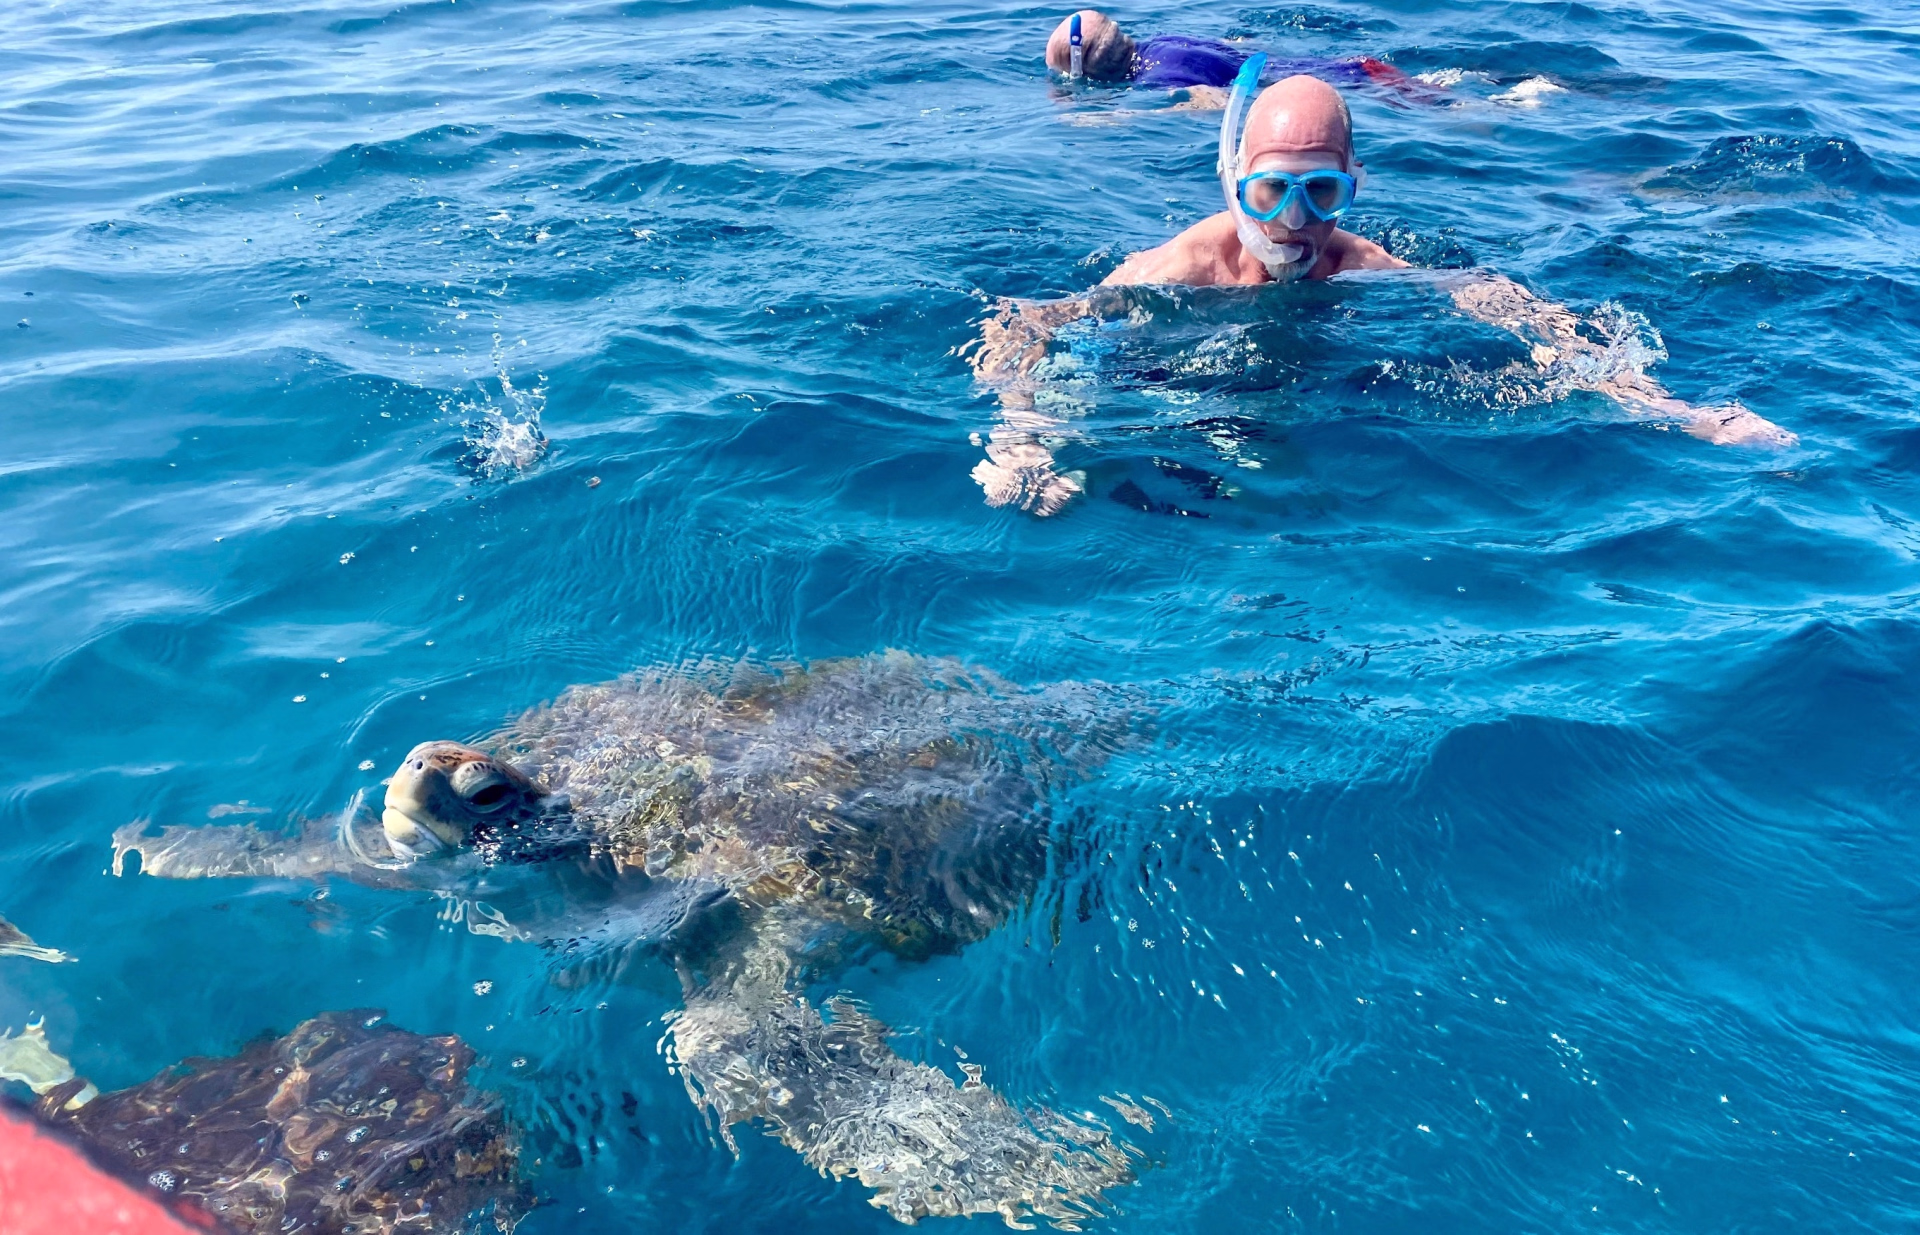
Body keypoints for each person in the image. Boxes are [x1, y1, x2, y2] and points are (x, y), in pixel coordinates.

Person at [966, 60, 1793, 515]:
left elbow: (1502, 302)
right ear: (1233, 183)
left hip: (1297, 385)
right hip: (1169, 378)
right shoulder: (1179, 269)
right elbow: (1028, 324)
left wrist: (1674, 409)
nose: (1294, 222)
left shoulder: (1358, 265)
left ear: (1353, 186)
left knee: (1286, 490)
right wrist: (1024, 431)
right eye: (1271, 193)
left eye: (1320, 194)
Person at [1044, 9, 1426, 104]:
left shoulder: (1157, 81)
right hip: (1360, 67)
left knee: (1461, 116)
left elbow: (1213, 102)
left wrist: (1114, 117)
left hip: (1363, 83)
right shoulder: (1166, 40)